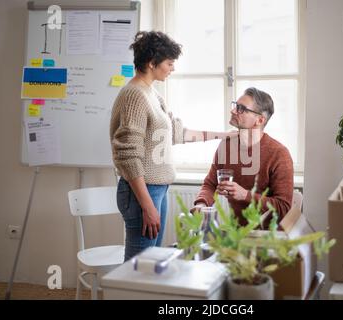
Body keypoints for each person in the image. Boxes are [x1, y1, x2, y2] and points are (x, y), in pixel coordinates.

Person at [110, 31, 235, 261]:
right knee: (139, 267)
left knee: (152, 260)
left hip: (157, 189)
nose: (172, 68)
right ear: (151, 63)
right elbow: (127, 154)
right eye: (169, 63)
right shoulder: (134, 96)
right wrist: (147, 205)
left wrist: (222, 135)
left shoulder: (151, 94)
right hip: (142, 190)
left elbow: (177, 133)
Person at [192, 88, 294, 229]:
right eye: (235, 105)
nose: (233, 111)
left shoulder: (279, 154)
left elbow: (283, 207)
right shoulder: (226, 145)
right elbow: (210, 184)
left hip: (268, 236)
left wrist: (245, 195)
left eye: (241, 109)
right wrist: (201, 204)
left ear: (259, 120)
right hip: (237, 232)